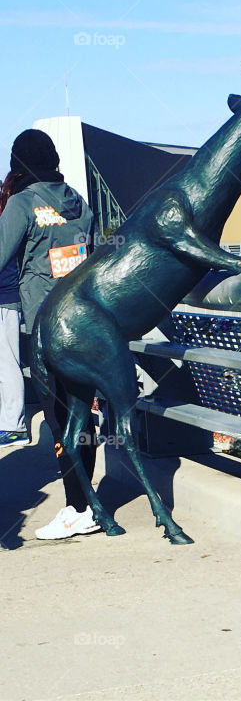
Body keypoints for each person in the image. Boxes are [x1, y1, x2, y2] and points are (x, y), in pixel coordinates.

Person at [0, 130, 97, 539]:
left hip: (46, 325)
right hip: (84, 321)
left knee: (59, 418)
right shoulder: (80, 204)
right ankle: (87, 505)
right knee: (83, 412)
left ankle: (79, 508)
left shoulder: (23, 204)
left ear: (20, 164)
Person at [0, 172, 26, 447]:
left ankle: (15, 427)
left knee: (7, 364)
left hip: (4, 299)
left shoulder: (7, 220)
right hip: (6, 298)